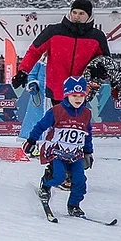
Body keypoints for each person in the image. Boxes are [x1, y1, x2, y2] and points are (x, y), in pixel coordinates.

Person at [12, 0, 110, 106]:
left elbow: (106, 61)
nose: (77, 16)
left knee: (77, 122)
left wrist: (100, 71)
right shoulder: (54, 31)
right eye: (74, 12)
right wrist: (23, 71)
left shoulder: (97, 37)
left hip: (81, 91)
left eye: (81, 13)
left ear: (89, 15)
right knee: (58, 121)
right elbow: (34, 51)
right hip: (57, 89)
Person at [24, 76, 93, 217]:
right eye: (74, 95)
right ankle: (46, 183)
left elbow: (88, 133)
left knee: (80, 181)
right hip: (56, 152)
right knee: (59, 177)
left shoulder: (86, 114)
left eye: (81, 95)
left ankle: (74, 205)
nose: (78, 99)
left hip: (75, 154)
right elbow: (41, 126)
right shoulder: (57, 111)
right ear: (67, 94)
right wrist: (31, 141)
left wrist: (88, 152)